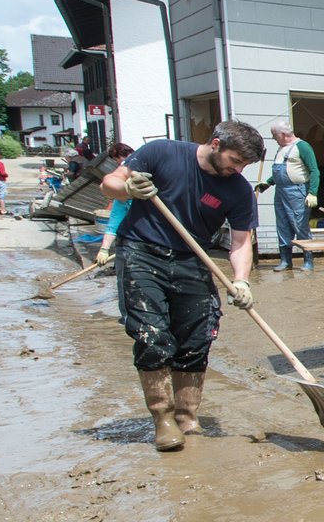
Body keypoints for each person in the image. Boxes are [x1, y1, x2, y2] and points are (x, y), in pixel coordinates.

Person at [99, 121, 265, 452]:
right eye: (235, 160)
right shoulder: (163, 152)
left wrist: (241, 280)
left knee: (198, 337)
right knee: (153, 335)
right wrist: (128, 190)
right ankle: (162, 418)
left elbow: (241, 241)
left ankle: (187, 417)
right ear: (216, 145)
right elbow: (110, 183)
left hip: (193, 259)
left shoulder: (238, 189)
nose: (238, 169)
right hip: (142, 253)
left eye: (244, 165)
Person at [263, 121, 321, 272]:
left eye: (275, 136)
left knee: (300, 225)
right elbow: (280, 172)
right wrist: (268, 183)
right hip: (281, 192)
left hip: (297, 192)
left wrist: (313, 192)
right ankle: (285, 261)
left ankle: (308, 261)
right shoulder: (281, 149)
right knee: (282, 225)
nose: (273, 138)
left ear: (283, 134)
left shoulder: (302, 147)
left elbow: (314, 171)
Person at [93, 142, 137, 267]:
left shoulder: (131, 170)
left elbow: (114, 224)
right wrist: (104, 249)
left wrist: (104, 249)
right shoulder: (122, 195)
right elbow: (115, 221)